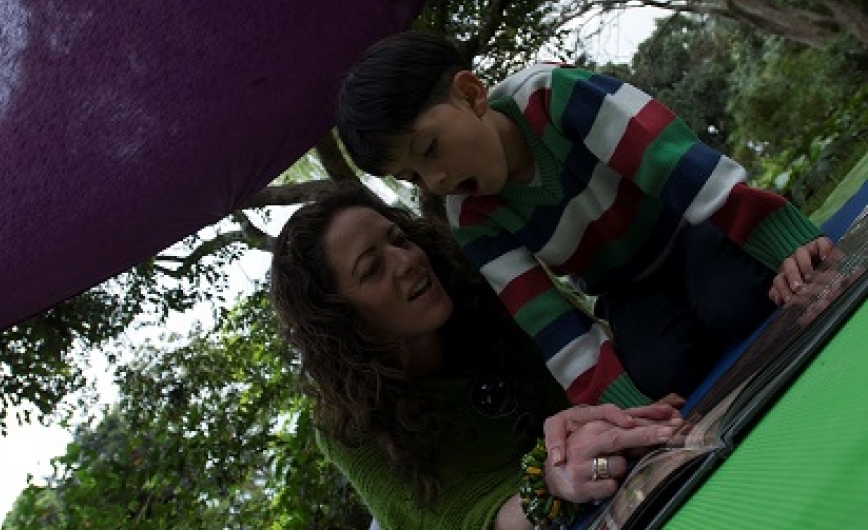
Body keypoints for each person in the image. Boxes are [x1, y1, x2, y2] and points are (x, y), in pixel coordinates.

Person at [335, 31, 835, 406]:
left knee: (734, 301)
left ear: (470, 94)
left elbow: (677, 162)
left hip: (689, 229)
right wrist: (626, 410)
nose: (436, 179)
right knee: (661, 374)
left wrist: (784, 242)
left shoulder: (554, 98)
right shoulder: (470, 216)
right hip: (628, 289)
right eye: (413, 177)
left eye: (430, 149)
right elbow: (542, 313)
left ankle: (724, 286)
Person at [269, 182, 682, 529]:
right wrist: (550, 478)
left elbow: (595, 360)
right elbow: (450, 520)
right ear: (338, 318)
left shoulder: (491, 287)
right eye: (372, 268)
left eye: (400, 239)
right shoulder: (347, 424)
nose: (409, 261)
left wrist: (630, 413)